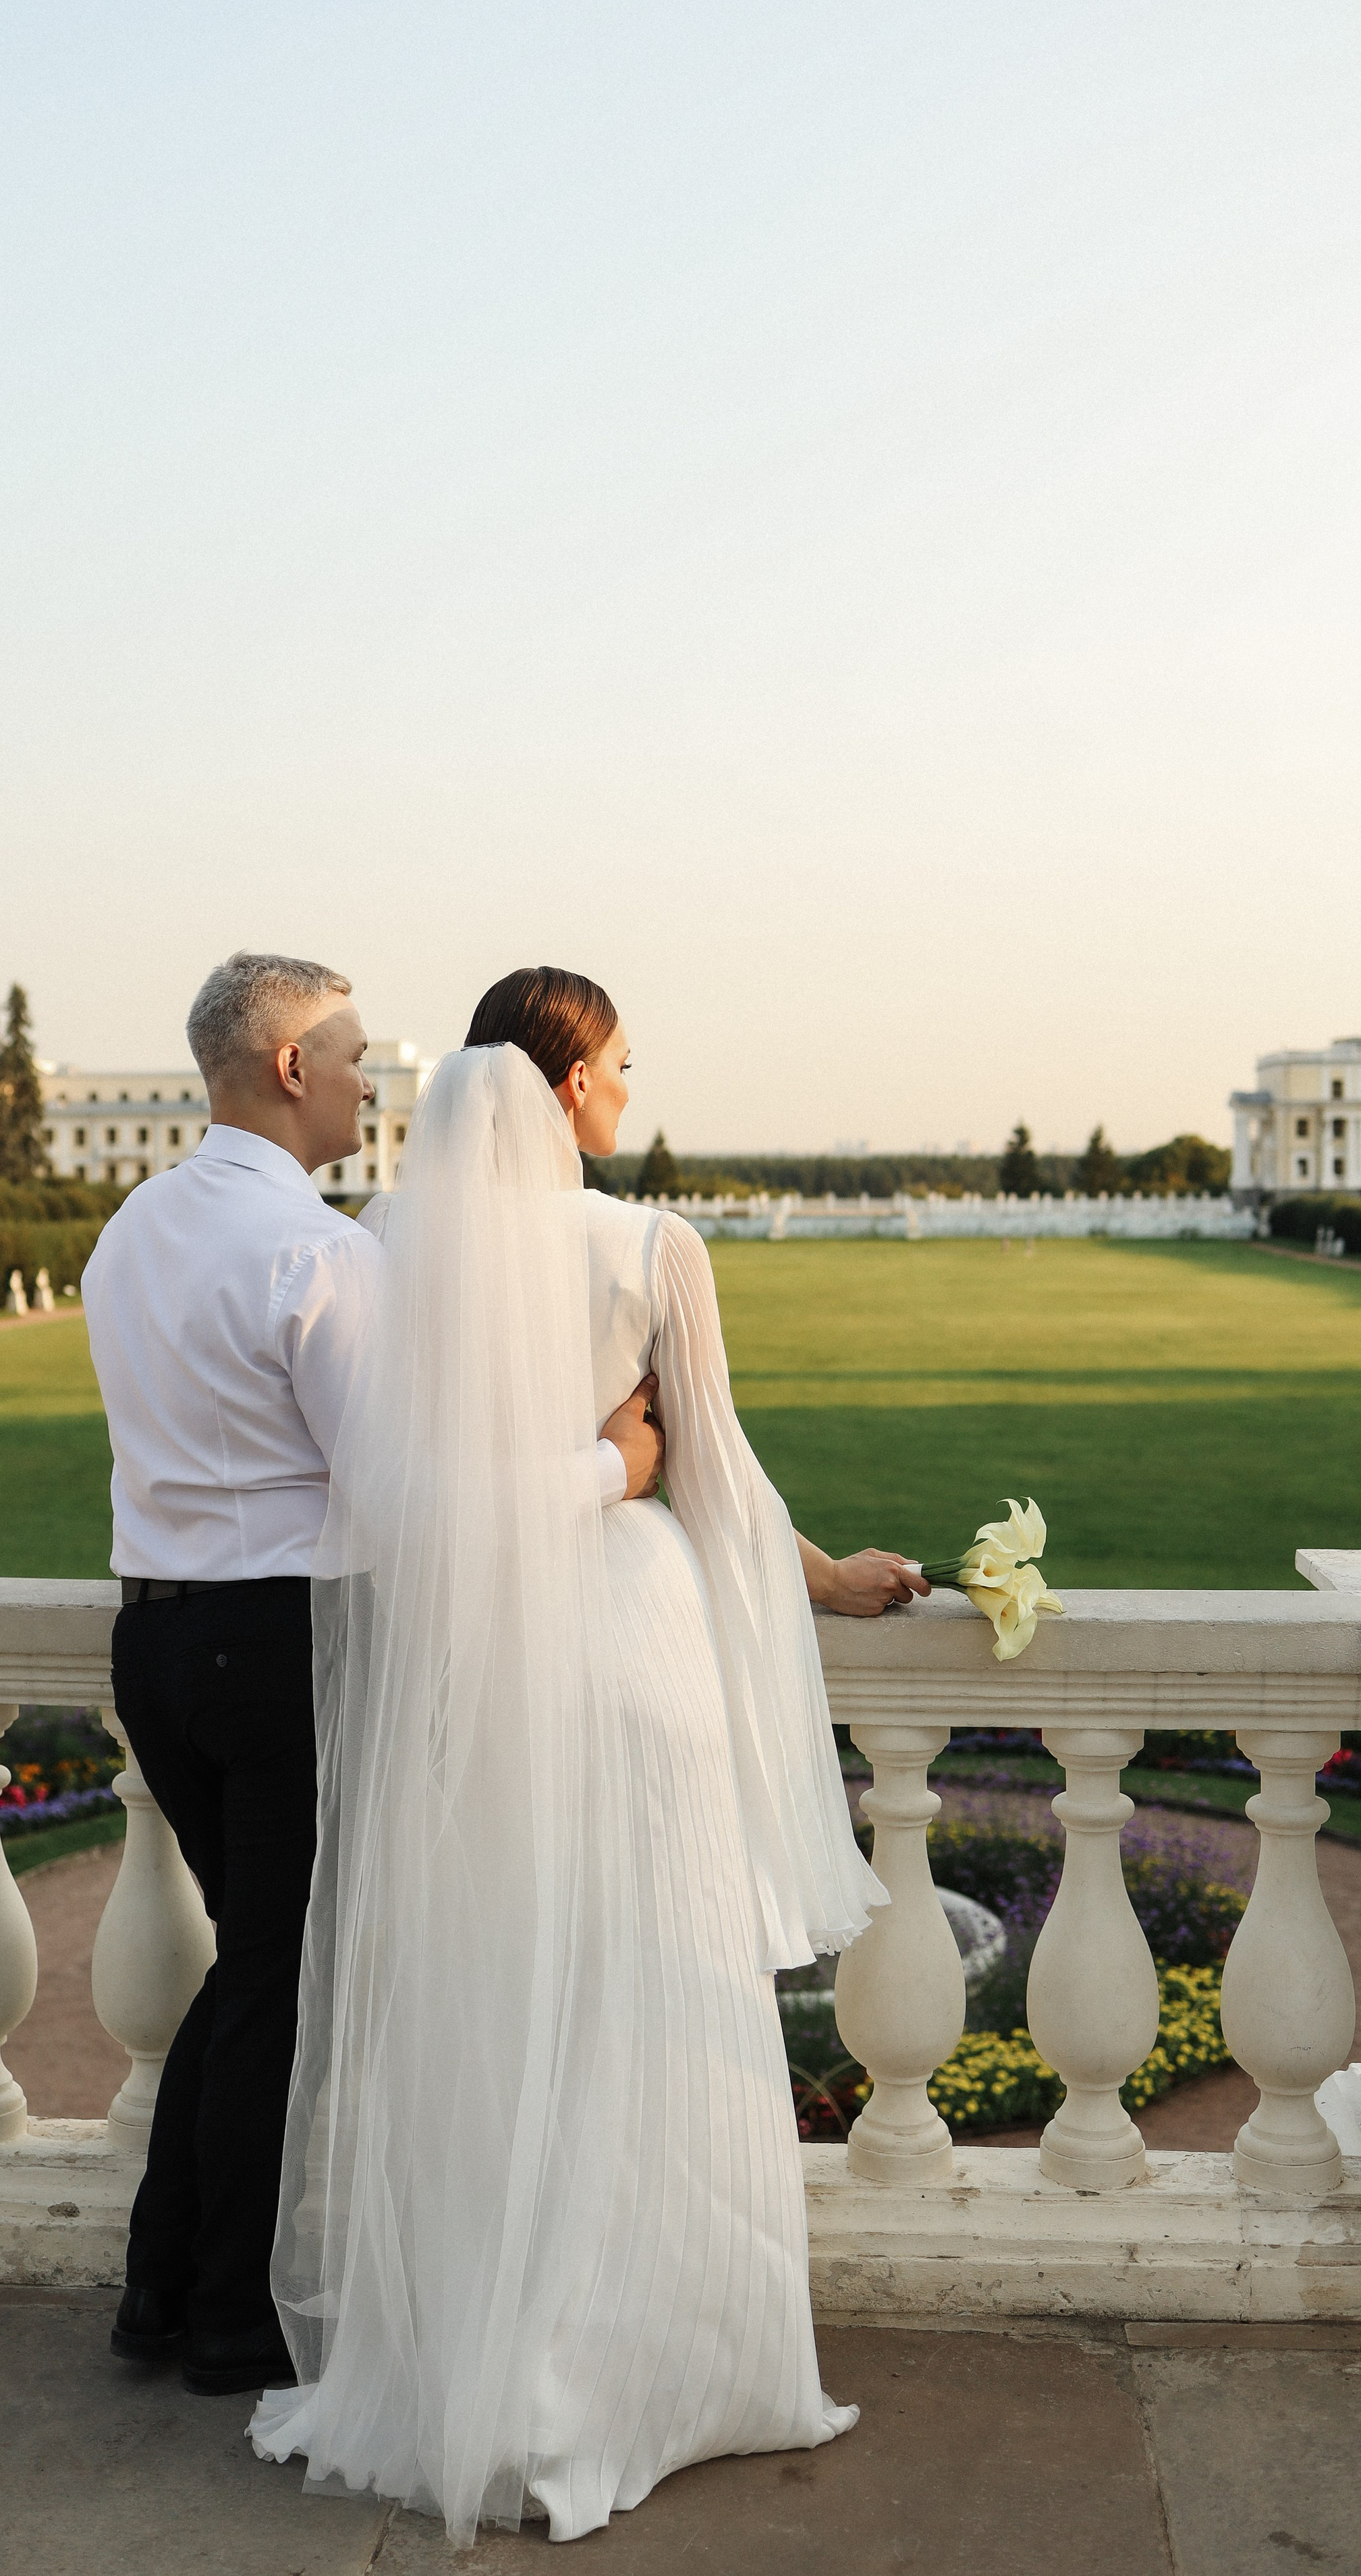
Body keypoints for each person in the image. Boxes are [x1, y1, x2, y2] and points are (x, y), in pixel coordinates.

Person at [250, 966, 928, 2538]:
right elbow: (714, 1475)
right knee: (653, 1993)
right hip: (628, 1652)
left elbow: (395, 1491)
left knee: (506, 2007)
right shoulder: (645, 1243)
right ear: (561, 1088)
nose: (630, 1089)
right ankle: (667, 2368)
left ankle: (495, 2361)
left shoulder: (386, 1253)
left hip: (475, 1671)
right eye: (619, 1064)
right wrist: (827, 1580)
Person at [82, 952, 663, 2399]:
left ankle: (161, 2288)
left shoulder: (130, 1231)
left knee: (252, 1967)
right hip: (274, 1642)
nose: (366, 1080)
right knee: (280, 1978)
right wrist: (611, 1464)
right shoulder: (321, 1255)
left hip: (150, 1641)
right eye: (348, 1054)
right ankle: (223, 2310)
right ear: (287, 1068)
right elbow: (414, 1501)